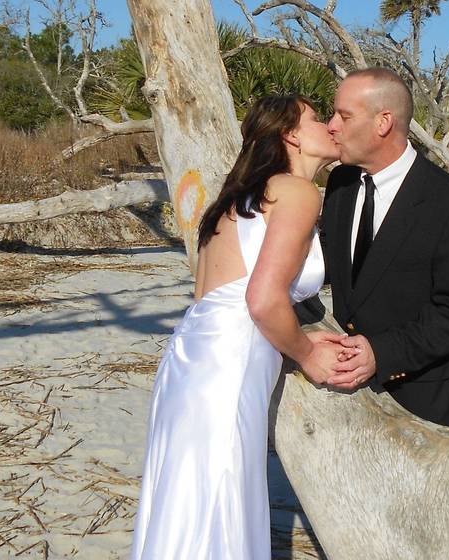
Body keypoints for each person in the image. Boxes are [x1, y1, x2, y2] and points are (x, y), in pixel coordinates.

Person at [130, 95, 345, 559]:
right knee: (219, 494)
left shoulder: (242, 197)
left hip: (194, 354)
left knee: (188, 495)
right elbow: (262, 299)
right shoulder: (297, 192)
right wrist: (308, 355)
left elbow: (226, 294)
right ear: (290, 134)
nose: (329, 125)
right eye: (316, 118)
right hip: (231, 360)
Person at [319, 68, 449, 428]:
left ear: (383, 123)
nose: (331, 125)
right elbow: (333, 266)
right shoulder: (340, 183)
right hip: (346, 400)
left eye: (344, 116)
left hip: (417, 404)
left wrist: (381, 352)